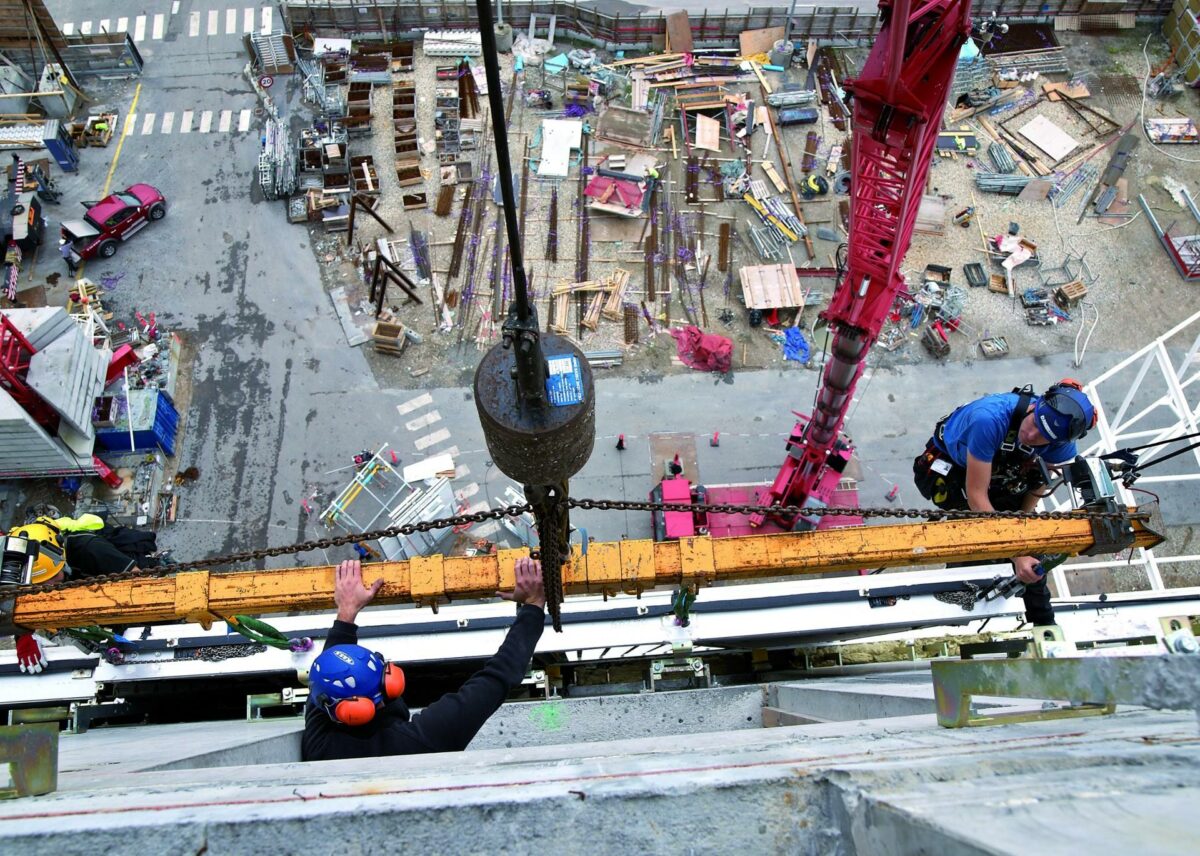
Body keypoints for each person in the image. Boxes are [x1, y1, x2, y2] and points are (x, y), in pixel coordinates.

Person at [302, 557, 546, 762]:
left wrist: (346, 611)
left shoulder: (319, 746)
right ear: (389, 684)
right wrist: (534, 604)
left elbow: (323, 686)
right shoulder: (418, 744)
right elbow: (496, 678)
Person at [912, 380, 1097, 626]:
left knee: (1030, 549)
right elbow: (977, 496)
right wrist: (1016, 553)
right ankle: (953, 616)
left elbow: (1040, 480)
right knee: (975, 541)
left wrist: (1022, 524)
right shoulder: (988, 419)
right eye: (1035, 423)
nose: (1031, 435)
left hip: (997, 468)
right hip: (954, 470)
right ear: (1036, 404)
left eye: (1043, 437)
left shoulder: (1061, 444)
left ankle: (1043, 622)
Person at [2, 513, 159, 673]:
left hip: (116, 582)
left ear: (61, 558)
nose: (49, 586)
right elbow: (15, 602)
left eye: (53, 576)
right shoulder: (22, 570)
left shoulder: (89, 548)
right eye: (41, 584)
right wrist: (23, 635)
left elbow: (143, 585)